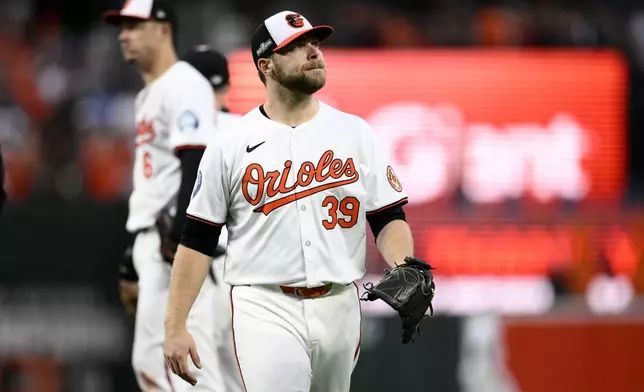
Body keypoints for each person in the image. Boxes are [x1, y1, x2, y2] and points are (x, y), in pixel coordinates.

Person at [164, 10, 415, 391]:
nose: (313, 52)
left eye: (314, 43)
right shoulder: (230, 143)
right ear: (266, 66)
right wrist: (175, 326)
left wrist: (404, 265)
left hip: (340, 303)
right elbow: (197, 238)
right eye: (295, 46)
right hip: (265, 304)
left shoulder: (354, 132)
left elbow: (387, 216)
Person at [101, 1, 223, 390]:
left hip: (175, 244)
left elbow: (196, 161)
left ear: (163, 29)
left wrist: (180, 237)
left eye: (134, 26)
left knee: (181, 366)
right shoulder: (151, 93)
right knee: (158, 364)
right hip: (156, 238)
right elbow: (158, 181)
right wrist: (133, 253)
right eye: (121, 27)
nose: (124, 34)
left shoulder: (184, 83)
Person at [181, 45, 245, 392]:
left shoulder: (182, 131)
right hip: (250, 274)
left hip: (200, 267)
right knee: (246, 378)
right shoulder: (251, 131)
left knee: (200, 378)